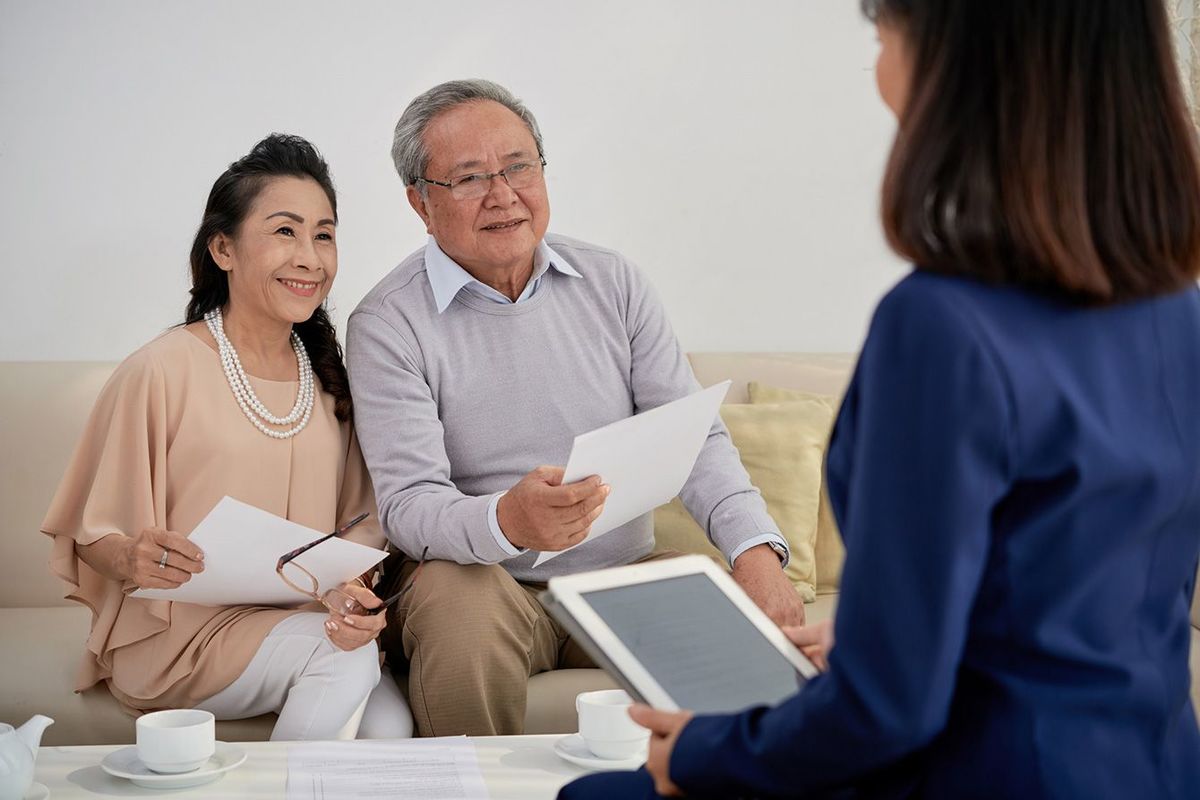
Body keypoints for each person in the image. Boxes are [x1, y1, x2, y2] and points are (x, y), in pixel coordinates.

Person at [561, 0, 1200, 797]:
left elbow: (887, 712)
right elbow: (1075, 589)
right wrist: (873, 631)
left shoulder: (942, 325)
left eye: (884, 33)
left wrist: (698, 751)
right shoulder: (1178, 307)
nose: (878, 67)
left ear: (956, 64)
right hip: (1158, 765)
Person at [345, 79, 806, 737]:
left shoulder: (614, 283)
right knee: (456, 604)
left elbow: (694, 438)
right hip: (486, 582)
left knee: (737, 639)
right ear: (420, 203)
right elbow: (409, 505)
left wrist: (757, 553)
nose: (503, 194)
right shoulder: (388, 322)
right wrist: (510, 521)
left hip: (619, 576)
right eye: (470, 178)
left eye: (518, 167)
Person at [42, 134, 412, 741]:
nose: (310, 257)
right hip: (181, 635)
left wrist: (349, 592)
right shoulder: (159, 370)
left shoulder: (331, 378)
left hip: (299, 626)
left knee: (393, 728)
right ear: (224, 248)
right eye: (285, 231)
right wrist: (134, 556)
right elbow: (91, 535)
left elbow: (359, 525)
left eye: (323, 234)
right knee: (341, 662)